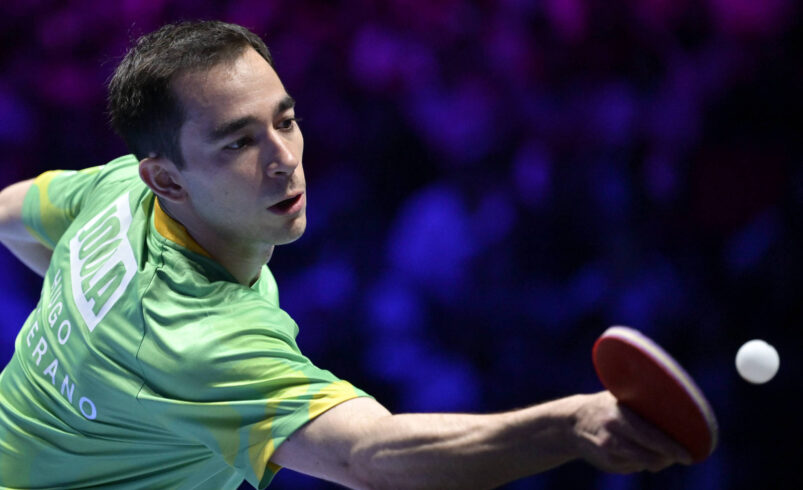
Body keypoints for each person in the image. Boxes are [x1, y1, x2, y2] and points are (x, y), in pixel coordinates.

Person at [0, 20, 691, 489]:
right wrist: (569, 425)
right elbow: (370, 458)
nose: (283, 159)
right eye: (238, 142)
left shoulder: (119, 190)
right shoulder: (198, 338)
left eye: (285, 120)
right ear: (168, 178)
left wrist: (86, 317)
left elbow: (11, 213)